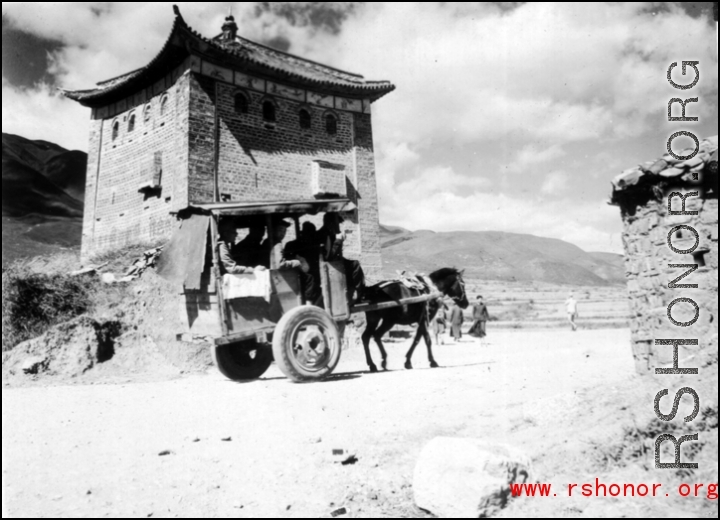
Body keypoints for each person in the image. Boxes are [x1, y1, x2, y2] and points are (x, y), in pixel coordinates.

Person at [262, 218, 320, 305]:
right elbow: (280, 264)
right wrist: (296, 262)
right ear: (273, 230)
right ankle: (309, 304)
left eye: (284, 231)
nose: (283, 234)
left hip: (274, 273)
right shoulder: (277, 244)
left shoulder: (267, 242)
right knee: (309, 278)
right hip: (279, 275)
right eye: (280, 230)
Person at [317, 212, 367, 302]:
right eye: (337, 223)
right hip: (330, 266)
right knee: (355, 264)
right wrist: (338, 240)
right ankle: (361, 295)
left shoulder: (326, 232)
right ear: (332, 223)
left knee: (351, 264)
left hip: (332, 263)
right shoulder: (326, 235)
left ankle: (351, 293)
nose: (338, 226)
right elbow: (329, 256)